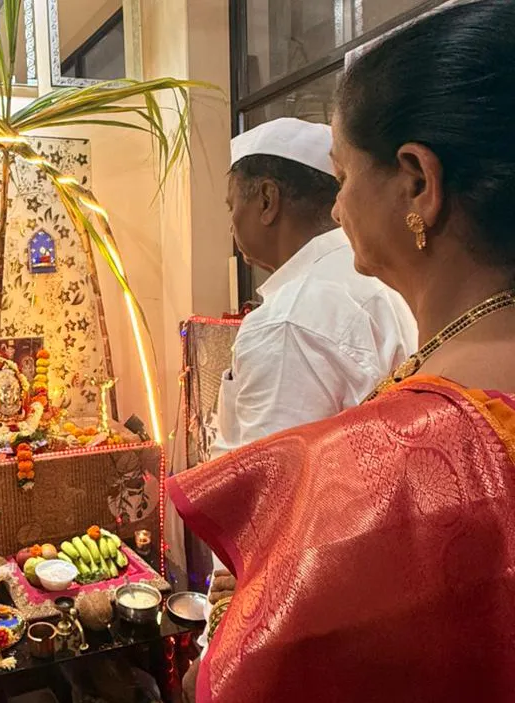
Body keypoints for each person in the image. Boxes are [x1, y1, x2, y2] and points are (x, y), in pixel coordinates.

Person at [171, 2, 515, 700]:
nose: (337, 207)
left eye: (346, 174)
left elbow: (276, 640)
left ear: (418, 182)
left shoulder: (384, 463)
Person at [182, 117, 417, 699]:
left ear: (267, 200)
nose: (230, 223)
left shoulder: (288, 320)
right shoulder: (379, 280)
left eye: (233, 203)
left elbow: (271, 517)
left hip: (310, 622)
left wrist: (223, 658)